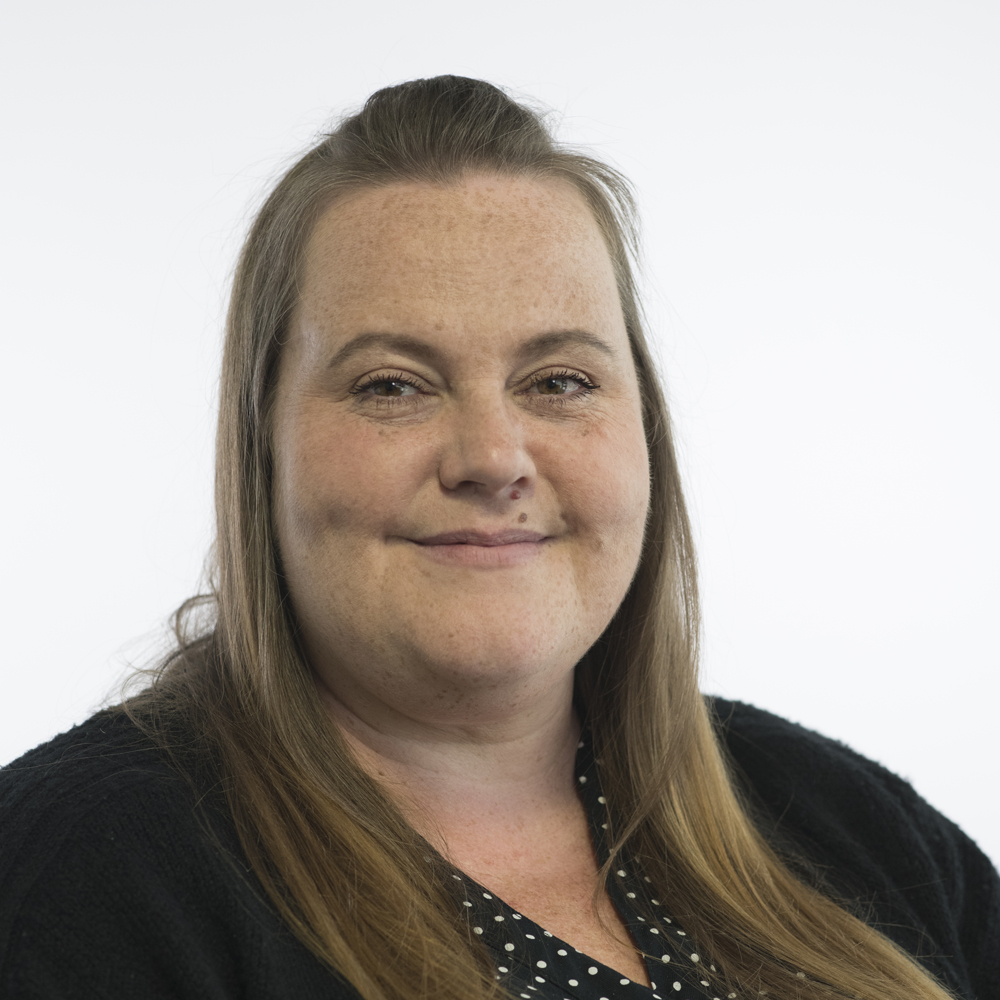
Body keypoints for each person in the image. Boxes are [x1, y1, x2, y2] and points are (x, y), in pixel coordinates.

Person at [0, 76, 995, 1000]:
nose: (491, 456)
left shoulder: (845, 822)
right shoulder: (73, 875)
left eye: (558, 380)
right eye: (392, 385)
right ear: (263, 445)